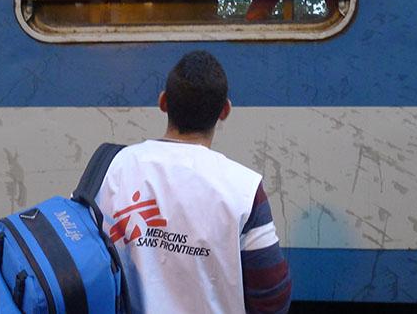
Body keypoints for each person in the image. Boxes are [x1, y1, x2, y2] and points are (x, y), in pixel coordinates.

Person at [95, 50, 291, 314]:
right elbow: (272, 298)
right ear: (225, 111)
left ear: (163, 102)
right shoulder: (244, 189)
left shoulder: (110, 168)